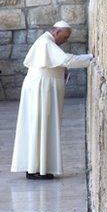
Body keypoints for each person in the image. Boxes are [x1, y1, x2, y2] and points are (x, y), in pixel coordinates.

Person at [10, 21, 95, 180]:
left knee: (40, 127)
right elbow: (66, 60)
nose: (66, 40)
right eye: (65, 36)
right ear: (57, 32)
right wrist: (90, 58)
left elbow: (56, 64)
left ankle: (35, 168)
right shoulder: (46, 43)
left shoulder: (46, 42)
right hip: (41, 90)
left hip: (41, 89)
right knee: (39, 126)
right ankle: (36, 169)